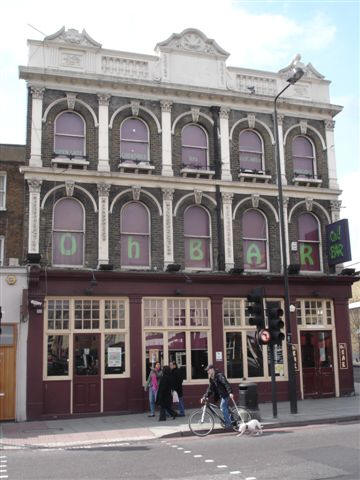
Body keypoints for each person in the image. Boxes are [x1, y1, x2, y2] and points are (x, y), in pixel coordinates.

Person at [202, 364, 234, 428]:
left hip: (225, 394)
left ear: (212, 369)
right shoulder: (211, 378)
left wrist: (230, 392)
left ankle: (228, 424)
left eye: (208, 370)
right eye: (207, 371)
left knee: (222, 407)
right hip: (220, 395)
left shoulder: (219, 375)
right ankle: (232, 419)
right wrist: (205, 396)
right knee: (225, 408)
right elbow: (210, 388)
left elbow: (226, 383)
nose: (207, 372)